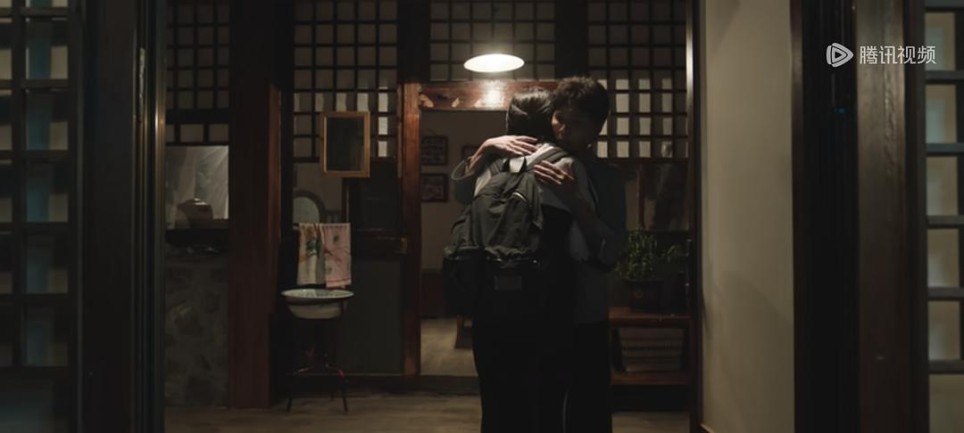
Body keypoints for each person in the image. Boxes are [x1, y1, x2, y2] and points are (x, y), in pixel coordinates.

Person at [451, 77, 626, 433]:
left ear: (597, 128)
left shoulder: (602, 176)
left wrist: (577, 204)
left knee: (580, 409)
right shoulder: (522, 162)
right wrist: (485, 148)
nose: (563, 129)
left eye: (576, 123)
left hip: (578, 308)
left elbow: (609, 252)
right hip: (544, 309)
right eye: (559, 119)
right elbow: (465, 198)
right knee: (541, 408)